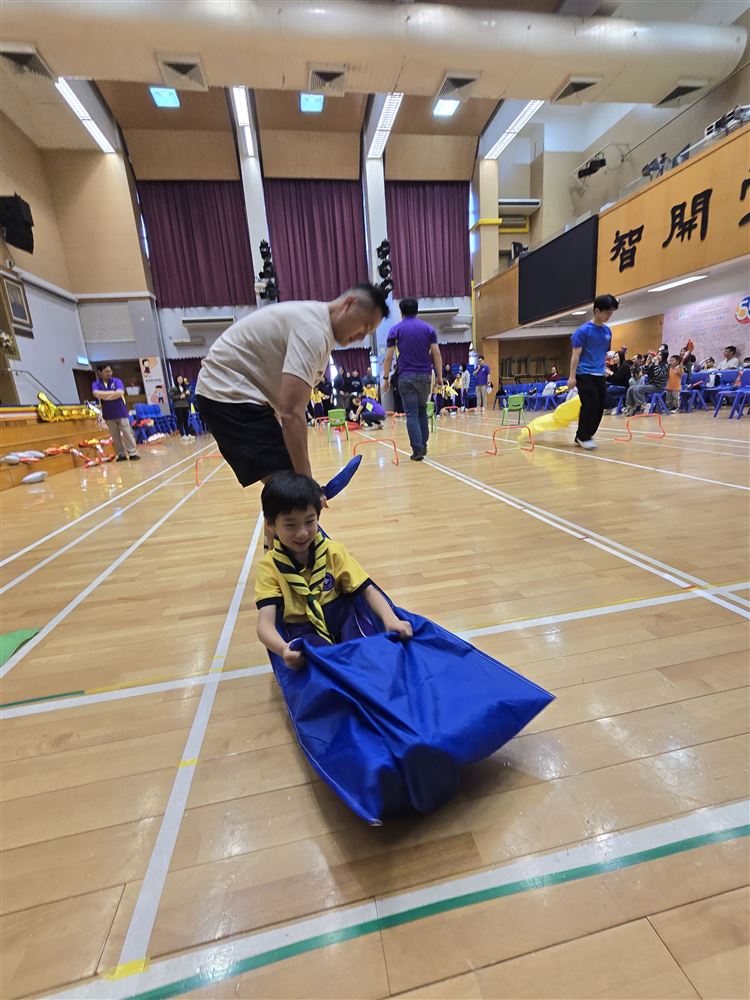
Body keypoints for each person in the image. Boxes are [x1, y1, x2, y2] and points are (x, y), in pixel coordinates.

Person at [195, 284, 388, 487]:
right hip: (227, 393)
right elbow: (292, 413)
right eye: (364, 326)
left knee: (291, 489)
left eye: (369, 332)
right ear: (349, 304)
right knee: (292, 491)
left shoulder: (320, 328)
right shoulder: (313, 331)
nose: (362, 337)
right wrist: (307, 484)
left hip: (239, 395)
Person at [255, 472, 412, 668]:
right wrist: (283, 649)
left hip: (343, 617)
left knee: (371, 655)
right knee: (319, 663)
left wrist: (390, 619)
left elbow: (368, 589)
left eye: (310, 521)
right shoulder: (269, 568)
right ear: (270, 525)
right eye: (290, 525)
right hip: (302, 628)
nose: (302, 533)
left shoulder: (333, 552)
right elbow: (265, 624)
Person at [383, 298, 444, 461]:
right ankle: (423, 444)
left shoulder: (395, 330)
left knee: (411, 413)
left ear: (401, 311)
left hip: (406, 377)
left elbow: (388, 357)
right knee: (422, 410)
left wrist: (386, 377)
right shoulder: (428, 329)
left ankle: (417, 449)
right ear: (417, 311)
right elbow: (436, 353)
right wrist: (439, 376)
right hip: (425, 375)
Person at [567, 293, 619, 449]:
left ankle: (587, 435)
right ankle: (582, 436)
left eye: (611, 312)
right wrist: (572, 376)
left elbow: (602, 353)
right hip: (584, 374)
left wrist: (605, 369)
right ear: (597, 311)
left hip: (599, 374)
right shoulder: (583, 332)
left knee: (600, 405)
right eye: (607, 312)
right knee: (590, 403)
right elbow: (575, 355)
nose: (609, 315)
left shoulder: (607, 331)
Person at [91, 364, 140, 462]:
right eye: (106, 372)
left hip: (121, 411)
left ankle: (132, 453)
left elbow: (120, 393)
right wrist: (113, 394)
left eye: (110, 371)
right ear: (100, 372)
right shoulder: (96, 383)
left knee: (127, 433)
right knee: (115, 435)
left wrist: (104, 396)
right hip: (108, 414)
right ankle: (121, 454)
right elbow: (96, 394)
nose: (109, 373)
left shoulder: (117, 381)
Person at [623, 349, 669, 415]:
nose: (658, 356)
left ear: (664, 357)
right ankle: (630, 406)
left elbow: (658, 374)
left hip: (658, 387)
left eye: (660, 355)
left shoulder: (665, 366)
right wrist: (647, 362)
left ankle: (642, 406)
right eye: (658, 354)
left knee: (637, 389)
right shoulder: (654, 364)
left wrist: (656, 364)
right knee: (631, 388)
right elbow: (644, 371)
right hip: (651, 385)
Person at [169, 375, 193, 439]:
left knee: (186, 420)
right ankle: (182, 435)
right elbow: (171, 397)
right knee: (180, 421)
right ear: (176, 380)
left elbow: (188, 397)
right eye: (179, 379)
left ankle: (188, 433)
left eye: (181, 379)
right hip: (178, 406)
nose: (180, 380)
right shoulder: (173, 388)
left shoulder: (185, 388)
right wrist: (180, 396)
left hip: (185, 405)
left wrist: (188, 394)